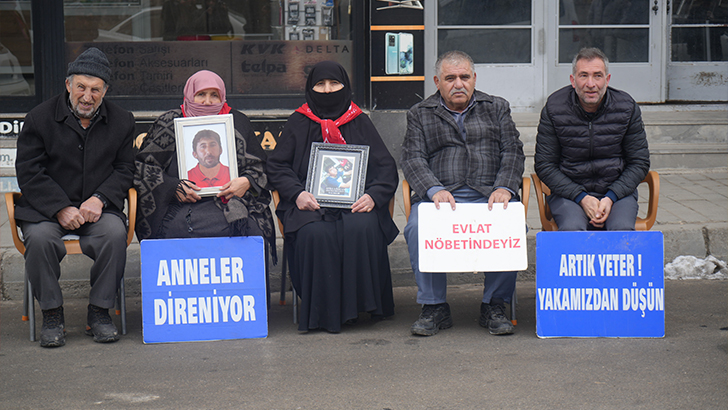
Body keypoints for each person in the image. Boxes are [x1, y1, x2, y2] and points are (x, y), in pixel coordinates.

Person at [14, 47, 135, 347]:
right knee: (40, 239)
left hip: (97, 209)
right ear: (68, 85)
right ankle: (52, 314)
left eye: (95, 89)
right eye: (81, 87)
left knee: (114, 233)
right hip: (46, 211)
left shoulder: (122, 120)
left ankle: (99, 313)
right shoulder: (39, 118)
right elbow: (29, 172)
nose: (87, 96)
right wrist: (60, 208)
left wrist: (100, 198)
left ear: (105, 91)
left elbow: (125, 169)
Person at [267, 61, 399, 333]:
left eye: (334, 84)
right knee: (316, 234)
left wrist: (373, 197)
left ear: (345, 86)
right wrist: (297, 193)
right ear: (310, 88)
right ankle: (323, 312)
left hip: (355, 203)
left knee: (363, 227)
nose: (327, 91)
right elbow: (277, 166)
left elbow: (385, 167)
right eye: (320, 85)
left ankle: (363, 306)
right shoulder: (298, 121)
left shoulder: (360, 120)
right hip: (308, 204)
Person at [400, 50, 525, 337]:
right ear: (437, 81)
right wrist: (433, 190)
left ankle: (494, 305)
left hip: (489, 194)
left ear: (474, 78)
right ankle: (434, 307)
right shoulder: (420, 113)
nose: (459, 84)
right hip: (442, 196)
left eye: (464, 77)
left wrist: (505, 187)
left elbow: (513, 151)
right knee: (418, 227)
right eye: (450, 78)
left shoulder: (497, 107)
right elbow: (412, 158)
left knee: (513, 224)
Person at [134, 70, 275, 255]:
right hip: (181, 205)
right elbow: (142, 167)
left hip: (233, 202)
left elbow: (261, 166)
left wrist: (247, 181)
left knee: (252, 231)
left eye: (214, 95)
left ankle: (242, 285)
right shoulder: (169, 123)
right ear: (189, 94)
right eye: (201, 94)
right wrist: (172, 187)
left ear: (222, 97)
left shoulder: (237, 121)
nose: (207, 101)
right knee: (176, 230)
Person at [534, 47, 650, 231]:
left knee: (621, 230)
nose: (591, 83)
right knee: (572, 229)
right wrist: (582, 197)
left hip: (617, 193)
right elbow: (544, 164)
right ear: (573, 80)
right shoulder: (554, 108)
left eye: (597, 75)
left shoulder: (626, 107)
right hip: (569, 194)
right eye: (583, 76)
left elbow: (640, 162)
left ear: (607, 79)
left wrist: (611, 197)